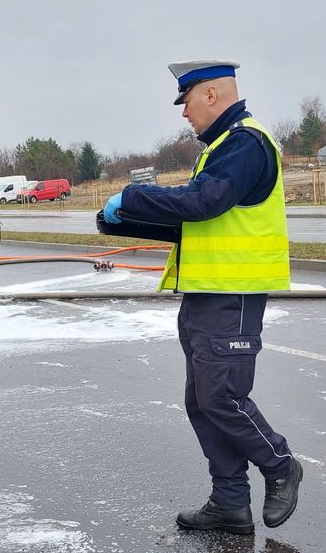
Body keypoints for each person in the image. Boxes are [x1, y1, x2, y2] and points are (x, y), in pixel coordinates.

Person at [101, 60, 303, 533]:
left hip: (233, 295)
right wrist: (120, 220)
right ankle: (230, 502)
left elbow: (201, 203)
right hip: (207, 296)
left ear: (211, 95)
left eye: (186, 101)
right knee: (202, 401)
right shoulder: (220, 149)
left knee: (222, 399)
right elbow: (196, 222)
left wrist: (133, 196)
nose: (184, 113)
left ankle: (279, 465)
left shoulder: (244, 143)